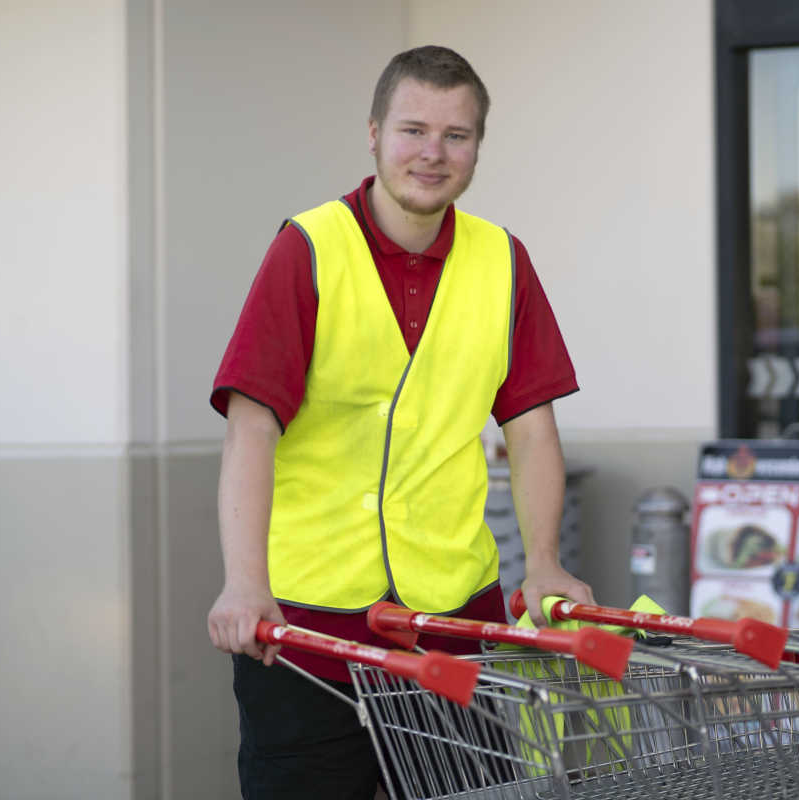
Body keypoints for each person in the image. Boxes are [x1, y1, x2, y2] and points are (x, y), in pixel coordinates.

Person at [206, 45, 593, 799]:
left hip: (455, 628)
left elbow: (531, 424)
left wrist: (542, 560)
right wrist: (244, 583)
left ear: (479, 146)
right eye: (414, 130)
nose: (433, 153)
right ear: (375, 132)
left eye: (457, 135)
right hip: (304, 635)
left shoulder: (503, 260)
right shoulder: (308, 249)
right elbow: (252, 425)